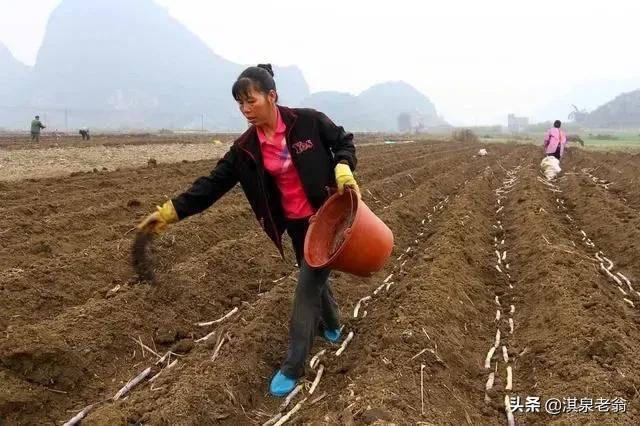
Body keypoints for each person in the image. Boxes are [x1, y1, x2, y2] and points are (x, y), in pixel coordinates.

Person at [137, 64, 359, 397]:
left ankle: (293, 364)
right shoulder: (245, 149)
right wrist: (170, 212)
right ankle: (333, 326)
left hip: (326, 216)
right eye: (240, 104)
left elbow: (343, 141)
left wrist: (342, 165)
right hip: (296, 224)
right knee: (311, 273)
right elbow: (211, 185)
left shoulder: (309, 121)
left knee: (306, 286)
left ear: (272, 96)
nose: (245, 110)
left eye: (250, 101)